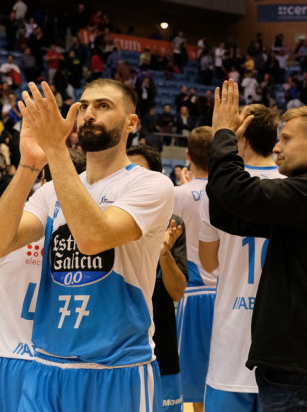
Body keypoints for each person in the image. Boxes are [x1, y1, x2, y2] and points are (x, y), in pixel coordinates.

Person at [0, 79, 174, 411]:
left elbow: (91, 238)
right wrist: (29, 164)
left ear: (131, 122)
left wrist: (55, 148)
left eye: (103, 106)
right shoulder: (50, 190)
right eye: (83, 106)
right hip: (47, 365)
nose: (88, 114)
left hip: (117, 368)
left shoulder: (151, 184)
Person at [205, 87, 307, 411]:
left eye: (287, 139)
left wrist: (223, 135)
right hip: (288, 367)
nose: (277, 147)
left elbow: (237, 192)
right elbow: (228, 211)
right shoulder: (306, 196)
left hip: (299, 370)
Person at [0, 149, 87, 412]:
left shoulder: (6, 231)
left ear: (43, 184)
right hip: (66, 364)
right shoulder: (91, 240)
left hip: (11, 359)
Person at [199, 103, 286, 411]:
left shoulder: (219, 188)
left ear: (242, 139)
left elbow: (209, 264)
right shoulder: (294, 186)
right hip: (280, 347)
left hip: (231, 345)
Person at [127, 144, 189, 412]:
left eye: (138, 170)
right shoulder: (108, 222)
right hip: (121, 348)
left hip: (161, 343)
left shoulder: (172, 224)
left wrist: (164, 253)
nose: (130, 177)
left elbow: (177, 292)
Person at [172, 126, 216, 411]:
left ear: (187, 155)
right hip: (229, 293)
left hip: (194, 292)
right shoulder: (230, 192)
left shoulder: (176, 195)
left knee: (195, 389)